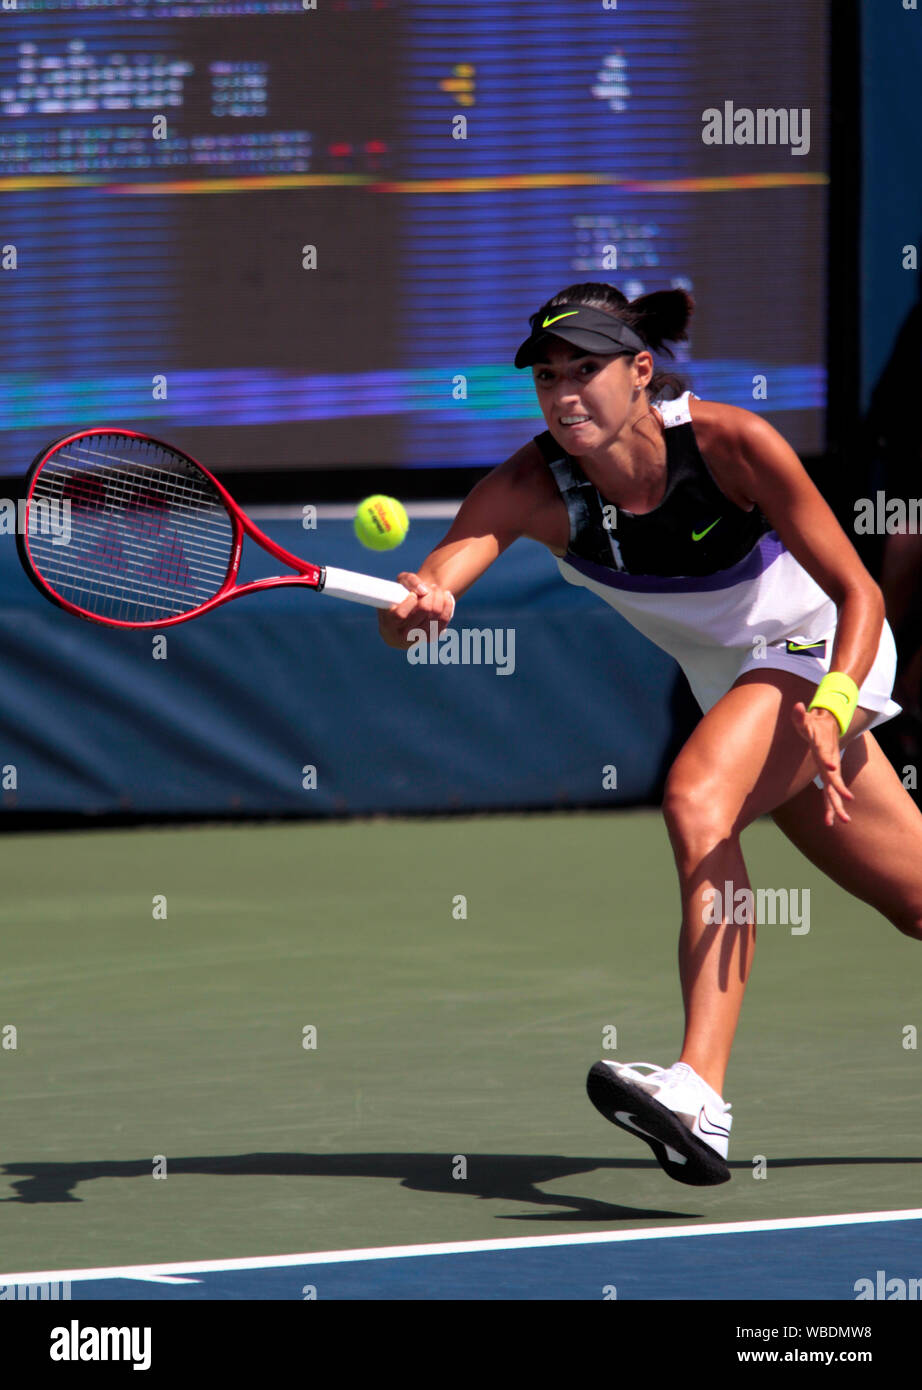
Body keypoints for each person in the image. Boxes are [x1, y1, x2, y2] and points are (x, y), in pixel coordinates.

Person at [377, 283, 922, 1186]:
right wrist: (417, 608)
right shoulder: (528, 487)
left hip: (827, 651)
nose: (563, 396)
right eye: (548, 378)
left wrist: (830, 704)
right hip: (746, 689)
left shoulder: (732, 444)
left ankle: (698, 1093)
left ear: (640, 372)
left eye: (584, 371)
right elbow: (427, 595)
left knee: (696, 797)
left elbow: (860, 591)